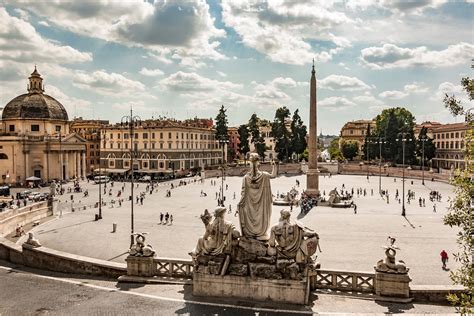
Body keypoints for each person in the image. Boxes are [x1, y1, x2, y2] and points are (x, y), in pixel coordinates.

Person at [237, 153, 277, 240]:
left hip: (249, 205)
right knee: (261, 217)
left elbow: (243, 194)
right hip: (262, 205)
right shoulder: (264, 175)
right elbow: (273, 175)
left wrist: (240, 203)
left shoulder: (246, 178)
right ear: (258, 163)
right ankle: (261, 232)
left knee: (250, 215)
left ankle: (250, 232)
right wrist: (274, 166)